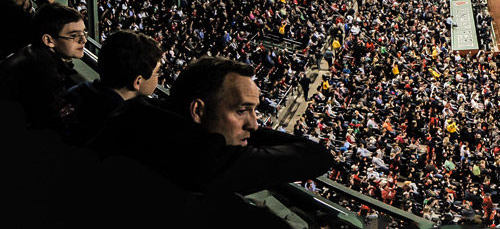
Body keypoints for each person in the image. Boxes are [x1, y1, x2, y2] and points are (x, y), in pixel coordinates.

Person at [88, 56, 334, 196]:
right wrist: (252, 133)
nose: (254, 124)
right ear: (198, 110)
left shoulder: (135, 113)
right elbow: (317, 156)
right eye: (241, 110)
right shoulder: (202, 156)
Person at [65, 28, 162, 144]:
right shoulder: (125, 125)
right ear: (138, 81)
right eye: (157, 72)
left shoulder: (76, 92)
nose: (159, 77)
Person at [0, 2, 85, 134]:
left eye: (83, 32)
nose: (83, 40)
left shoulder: (32, 52)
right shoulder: (45, 76)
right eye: (74, 35)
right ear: (48, 40)